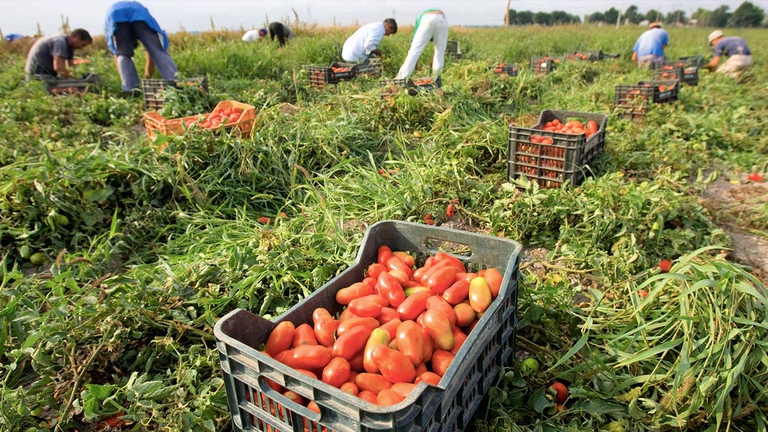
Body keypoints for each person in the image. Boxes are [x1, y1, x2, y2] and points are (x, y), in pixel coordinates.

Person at [105, 1, 178, 93]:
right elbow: (153, 53)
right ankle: (175, 82)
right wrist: (147, 76)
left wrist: (125, 80)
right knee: (157, 50)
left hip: (116, 15)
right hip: (137, 12)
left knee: (123, 54)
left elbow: (118, 56)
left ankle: (130, 90)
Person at [395, 10, 448, 79]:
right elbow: (435, 52)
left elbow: (415, 48)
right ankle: (436, 79)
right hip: (442, 19)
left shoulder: (420, 20)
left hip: (428, 18)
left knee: (414, 51)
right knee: (440, 53)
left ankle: (402, 78)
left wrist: (416, 66)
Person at [24, 29, 92, 80]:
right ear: (76, 37)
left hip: (48, 75)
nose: (81, 48)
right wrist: (74, 79)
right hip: (37, 76)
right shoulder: (60, 42)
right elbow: (58, 68)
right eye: (82, 44)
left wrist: (77, 76)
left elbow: (71, 66)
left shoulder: (70, 47)